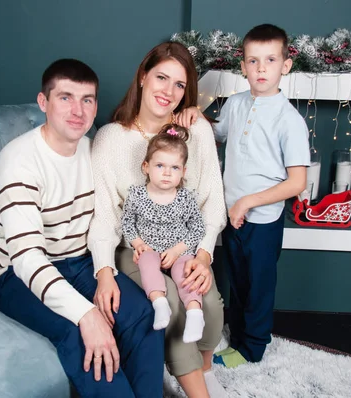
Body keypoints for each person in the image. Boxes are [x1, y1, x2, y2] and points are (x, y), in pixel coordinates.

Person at [0, 58, 164, 398]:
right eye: (65, 97)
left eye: (87, 99)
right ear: (43, 102)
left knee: (142, 315)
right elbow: (27, 260)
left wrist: (104, 272)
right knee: (80, 334)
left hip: (77, 261)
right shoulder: (19, 163)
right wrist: (86, 314)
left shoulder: (91, 146)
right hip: (13, 275)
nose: (77, 110)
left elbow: (102, 218)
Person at [88, 42, 228, 398]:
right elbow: (104, 215)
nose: (168, 91)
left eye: (179, 85)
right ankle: (197, 389)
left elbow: (212, 202)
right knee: (173, 305)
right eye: (161, 78)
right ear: (142, 77)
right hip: (135, 248)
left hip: (186, 246)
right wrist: (104, 271)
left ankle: (206, 366)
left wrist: (204, 256)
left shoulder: (195, 132)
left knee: (209, 305)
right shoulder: (110, 140)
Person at [210, 23, 310, 368]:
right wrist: (195, 117)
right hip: (231, 215)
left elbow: (297, 183)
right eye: (253, 61)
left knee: (258, 286)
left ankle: (252, 348)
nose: (261, 68)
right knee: (236, 279)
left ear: (286, 65)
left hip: (262, 220)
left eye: (270, 59)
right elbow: (216, 135)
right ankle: (236, 336)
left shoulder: (289, 120)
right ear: (243, 67)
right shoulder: (236, 104)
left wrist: (248, 201)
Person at [122, 124, 207, 343]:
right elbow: (127, 222)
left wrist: (179, 249)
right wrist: (138, 243)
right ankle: (160, 303)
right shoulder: (137, 195)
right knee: (146, 263)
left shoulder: (185, 198)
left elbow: (198, 227)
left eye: (175, 167)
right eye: (160, 165)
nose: (167, 173)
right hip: (150, 248)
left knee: (185, 275)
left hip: (179, 251)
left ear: (183, 172)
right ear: (146, 167)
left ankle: (195, 312)